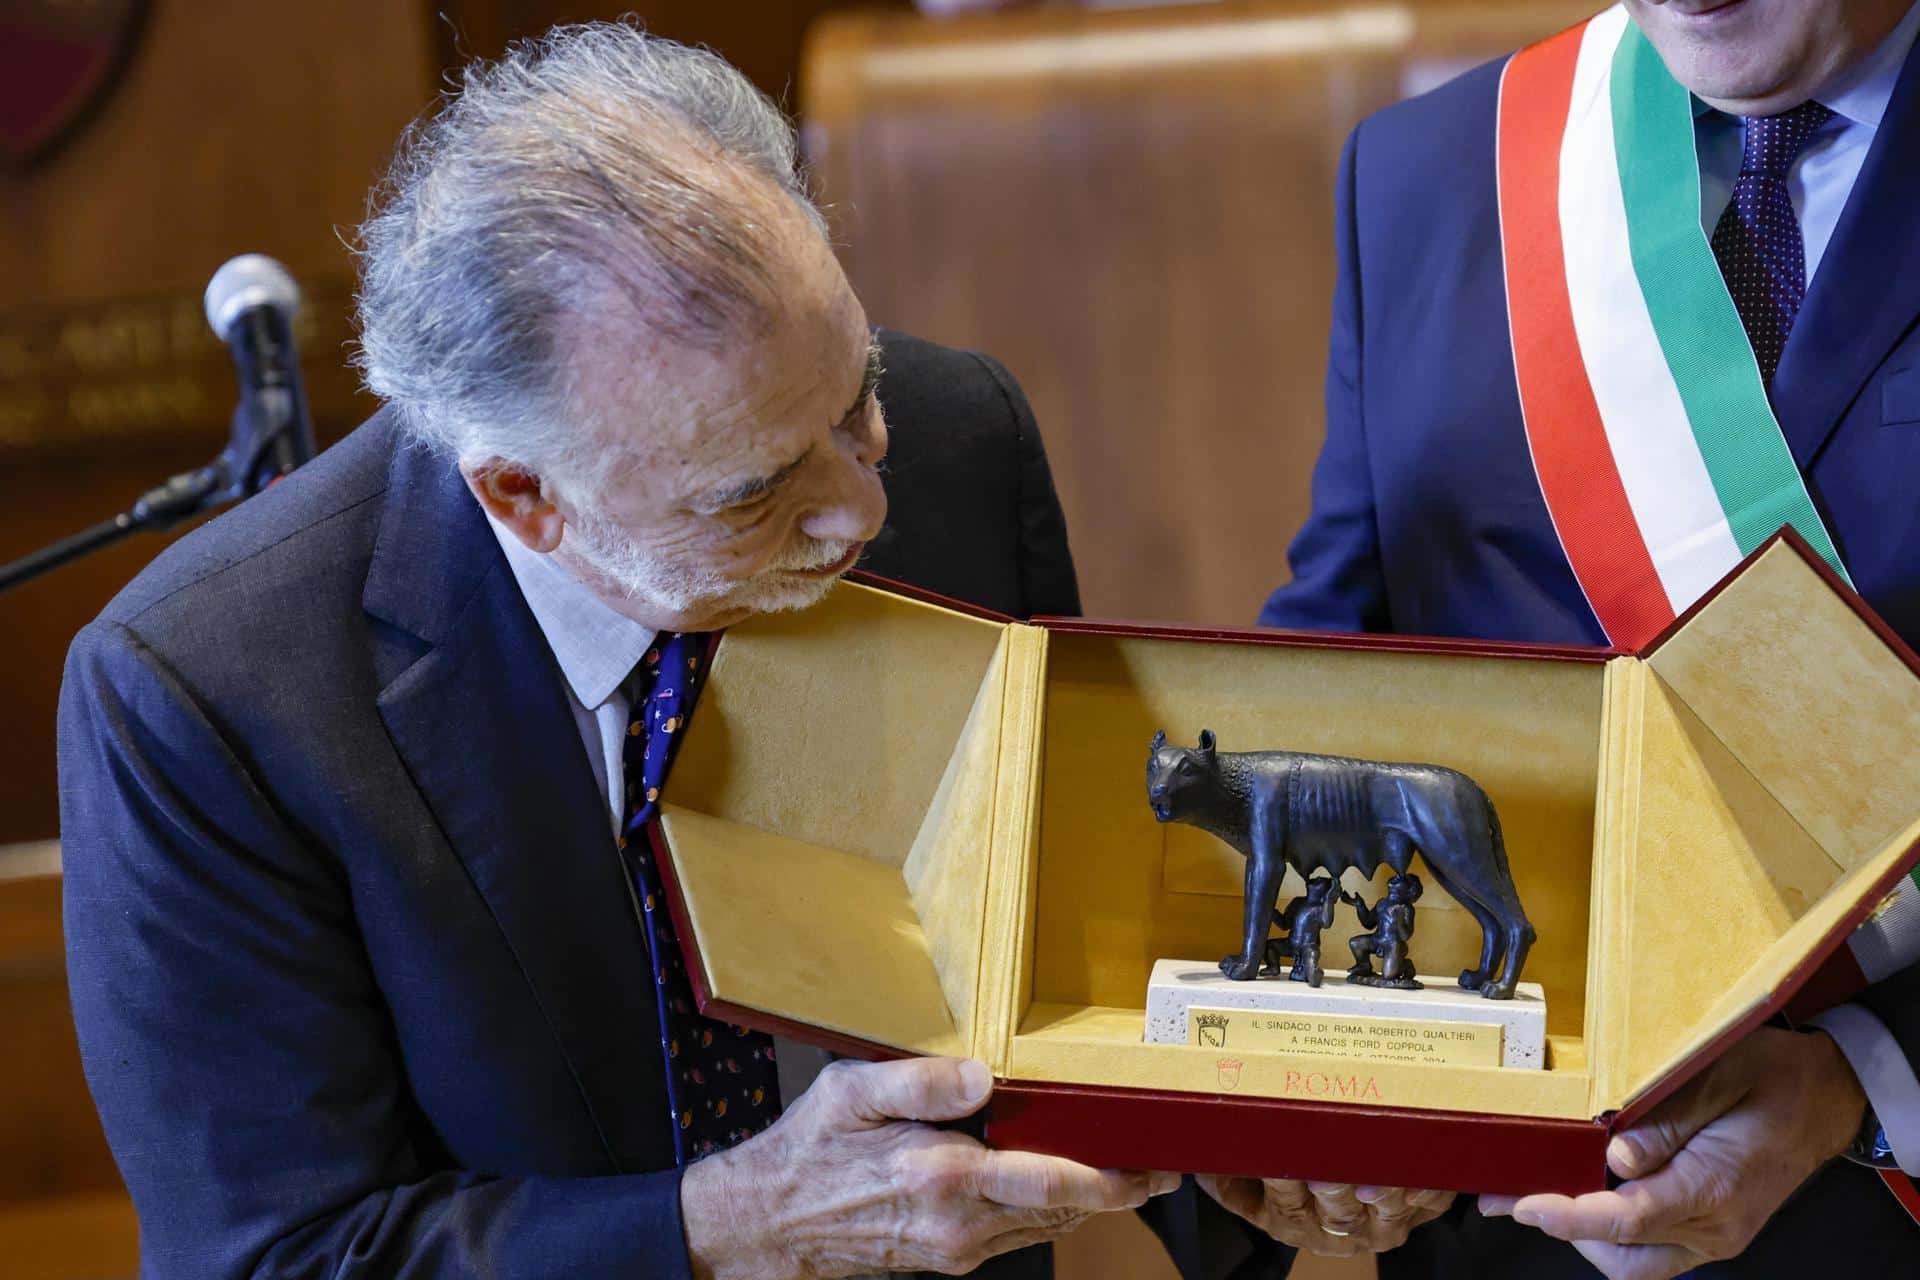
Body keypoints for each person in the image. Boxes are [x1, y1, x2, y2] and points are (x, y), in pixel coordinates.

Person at [55, 24, 1219, 1279]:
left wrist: (1250, 1164)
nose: (863, 510)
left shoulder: (957, 438)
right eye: (757, 491)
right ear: (523, 495)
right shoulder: (203, 695)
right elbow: (280, 1255)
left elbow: (1081, 956)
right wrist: (729, 1225)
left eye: (856, 398)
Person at [1251, 0, 1920, 1275]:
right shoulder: (1436, 172)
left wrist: (1862, 1077)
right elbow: (1333, 676)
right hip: (1509, 1233)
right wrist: (1278, 1088)